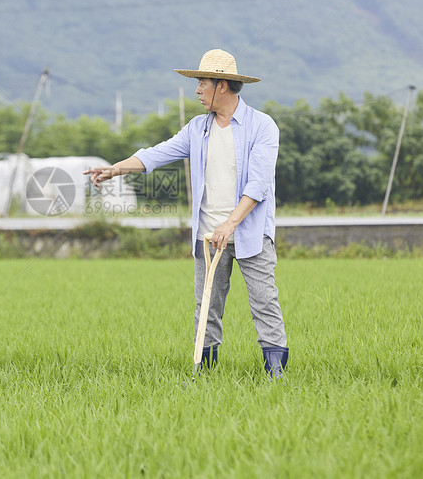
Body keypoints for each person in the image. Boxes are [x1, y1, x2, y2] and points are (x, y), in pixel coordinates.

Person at [84, 49, 289, 377]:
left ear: (221, 85)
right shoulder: (197, 129)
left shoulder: (262, 127)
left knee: (265, 302)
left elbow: (258, 185)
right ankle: (205, 373)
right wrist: (115, 170)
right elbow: (157, 154)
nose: (197, 90)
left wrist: (230, 224)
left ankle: (276, 374)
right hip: (209, 235)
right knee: (206, 308)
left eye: (201, 83)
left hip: (249, 232)